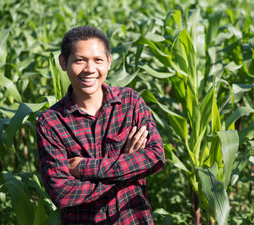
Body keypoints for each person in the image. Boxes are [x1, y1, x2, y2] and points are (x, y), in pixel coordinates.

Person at [36, 25, 165, 224]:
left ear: (109, 62)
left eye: (98, 60)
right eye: (80, 60)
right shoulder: (51, 122)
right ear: (63, 62)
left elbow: (156, 157)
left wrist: (84, 168)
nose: (89, 69)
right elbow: (62, 193)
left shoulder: (130, 103)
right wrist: (128, 167)